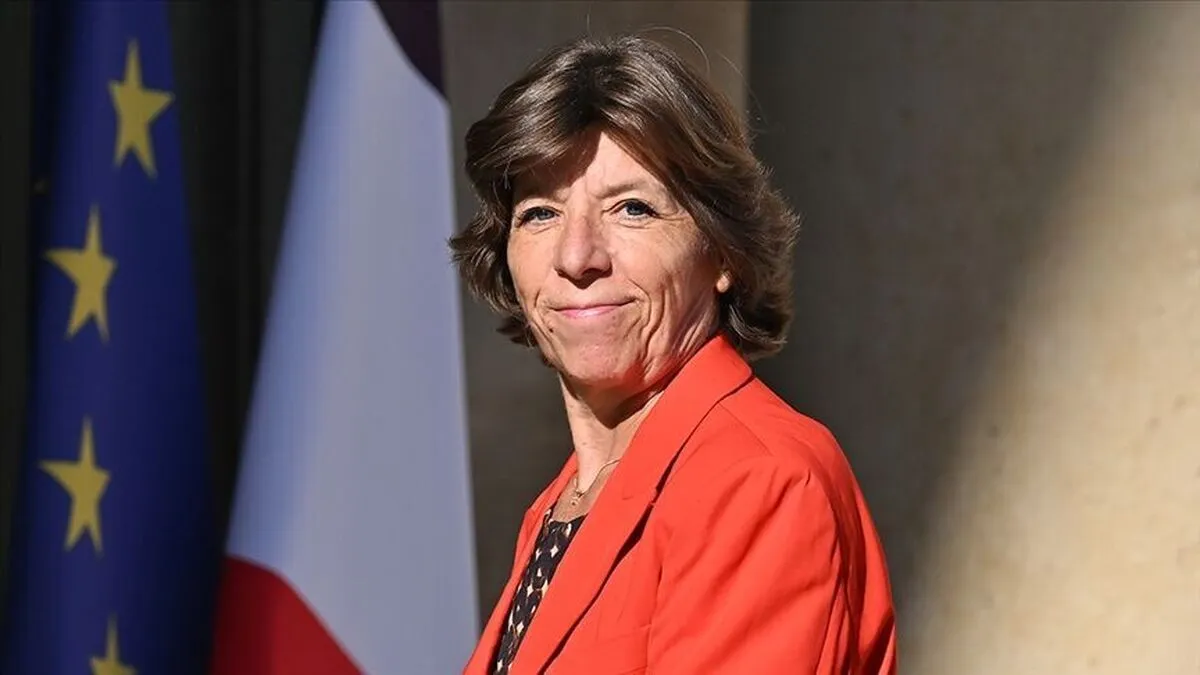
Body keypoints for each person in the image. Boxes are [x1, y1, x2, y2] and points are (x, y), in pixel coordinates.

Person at [451, 34, 897, 675]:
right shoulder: (563, 504)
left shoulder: (758, 478)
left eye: (632, 209)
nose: (577, 256)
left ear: (722, 252)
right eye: (541, 213)